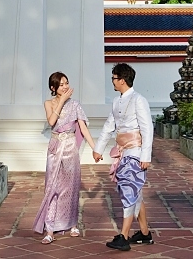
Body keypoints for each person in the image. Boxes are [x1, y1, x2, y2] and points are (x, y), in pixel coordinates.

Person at [93, 63, 154, 251]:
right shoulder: (116, 101)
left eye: (113, 78)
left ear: (122, 80)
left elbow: (147, 128)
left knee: (128, 191)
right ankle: (144, 234)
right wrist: (98, 148)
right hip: (122, 151)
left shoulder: (139, 100)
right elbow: (109, 126)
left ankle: (124, 236)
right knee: (135, 193)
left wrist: (146, 155)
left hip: (135, 152)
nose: (112, 81)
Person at [33, 72, 96, 244]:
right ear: (53, 88)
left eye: (67, 83)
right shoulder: (48, 103)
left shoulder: (75, 104)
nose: (66, 87)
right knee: (52, 187)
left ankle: (72, 223)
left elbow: (83, 129)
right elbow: (52, 121)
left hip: (70, 148)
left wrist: (95, 148)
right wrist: (61, 101)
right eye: (61, 85)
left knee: (71, 187)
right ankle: (50, 228)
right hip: (55, 148)